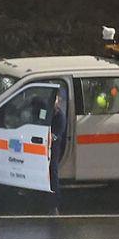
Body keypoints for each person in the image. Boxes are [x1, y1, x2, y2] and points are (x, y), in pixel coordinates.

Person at [49, 85, 69, 216]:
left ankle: (55, 204)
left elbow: (57, 135)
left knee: (53, 173)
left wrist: (51, 137)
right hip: (44, 148)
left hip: (54, 149)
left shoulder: (60, 116)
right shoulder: (46, 112)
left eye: (55, 98)